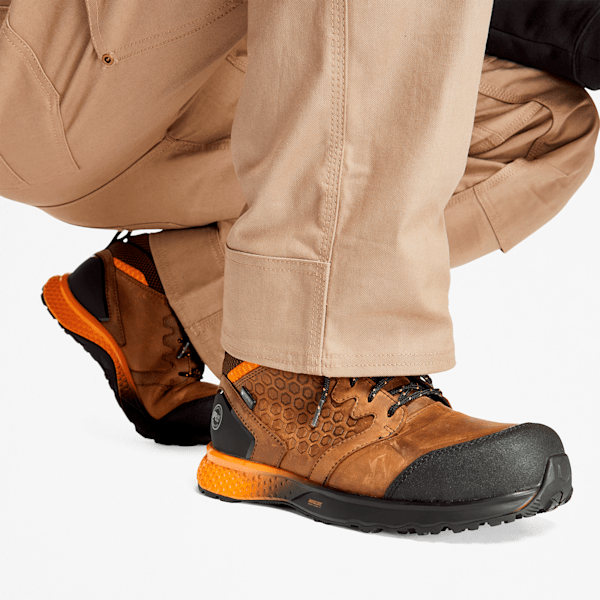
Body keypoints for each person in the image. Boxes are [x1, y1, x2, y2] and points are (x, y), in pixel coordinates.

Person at [1, 0, 598, 534]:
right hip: (38, 66)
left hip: (160, 83)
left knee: (536, 123)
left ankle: (170, 293)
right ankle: (301, 384)